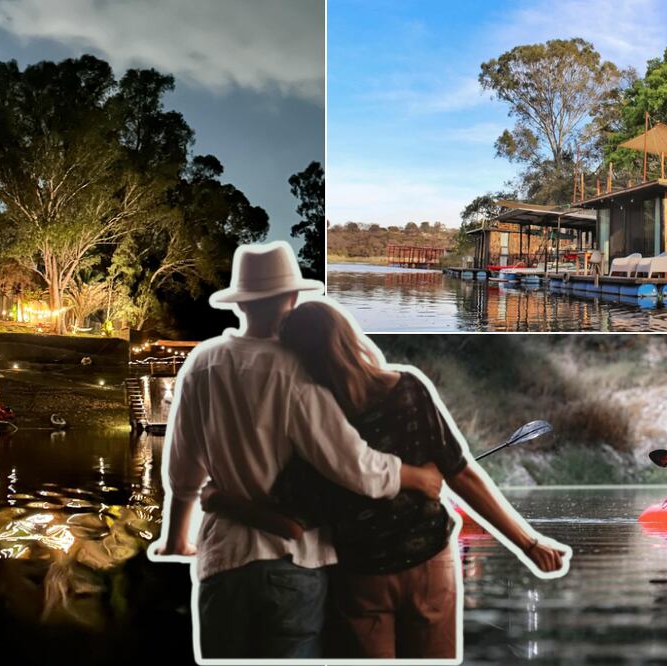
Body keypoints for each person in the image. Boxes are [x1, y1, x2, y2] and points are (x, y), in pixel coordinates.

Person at [202, 300, 571, 660]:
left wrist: (221, 500)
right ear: (347, 337)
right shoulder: (407, 390)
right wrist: (528, 544)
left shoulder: (316, 425)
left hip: (363, 580)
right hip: (430, 563)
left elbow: (292, 523)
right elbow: (462, 475)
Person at [147, 242, 444, 661]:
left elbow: (183, 471)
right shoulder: (298, 369)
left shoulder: (202, 363)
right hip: (293, 563)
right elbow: (354, 467)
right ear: (291, 298)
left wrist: (176, 540)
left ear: (241, 303)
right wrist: (417, 477)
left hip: (222, 562)